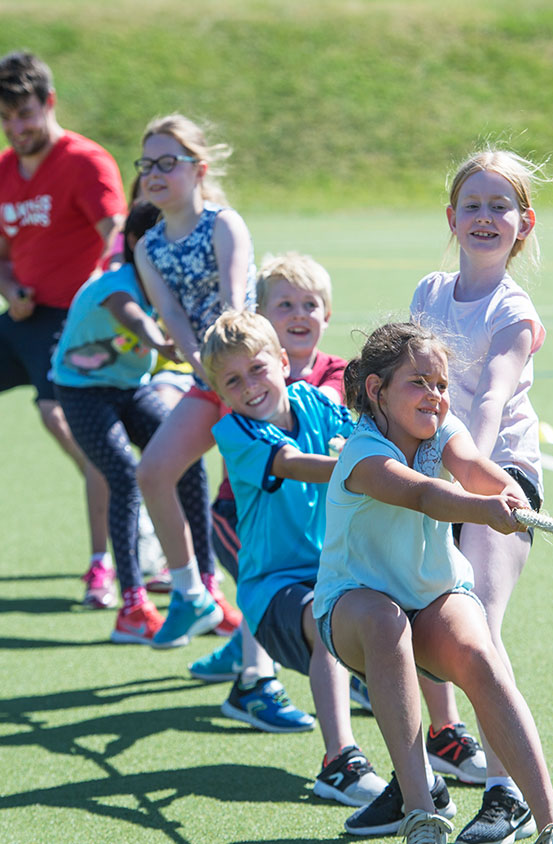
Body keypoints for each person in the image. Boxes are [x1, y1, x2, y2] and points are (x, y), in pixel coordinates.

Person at [312, 320, 553, 844]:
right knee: (386, 624)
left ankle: (552, 823)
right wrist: (485, 509)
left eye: (441, 384)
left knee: (480, 655)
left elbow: (475, 467)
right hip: (352, 610)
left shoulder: (442, 427)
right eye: (419, 382)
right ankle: (420, 813)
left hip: (433, 597)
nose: (434, 395)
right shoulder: (362, 454)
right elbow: (425, 496)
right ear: (376, 390)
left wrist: (510, 496)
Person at [410, 148, 551, 844]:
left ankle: (507, 794)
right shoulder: (429, 293)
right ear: (452, 217)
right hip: (432, 476)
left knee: (480, 629)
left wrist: (465, 475)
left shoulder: (512, 311)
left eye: (501, 207)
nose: (486, 217)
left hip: (499, 479)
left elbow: (491, 400)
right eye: (474, 205)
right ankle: (435, 755)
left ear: (523, 224)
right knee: (413, 618)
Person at [201, 309, 389, 808]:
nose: (249, 387)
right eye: (233, 381)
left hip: (336, 570)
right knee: (328, 618)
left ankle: (438, 739)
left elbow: (358, 435)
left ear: (284, 361)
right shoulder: (237, 432)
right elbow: (296, 465)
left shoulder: (314, 402)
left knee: (406, 613)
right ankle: (340, 763)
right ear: (221, 393)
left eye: (258, 369)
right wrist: (369, 470)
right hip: (272, 591)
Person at [50, 201, 224, 644]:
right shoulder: (117, 282)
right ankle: (132, 606)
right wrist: (162, 343)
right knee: (124, 477)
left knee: (182, 460)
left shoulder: (173, 286)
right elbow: (131, 316)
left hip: (132, 387)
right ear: (135, 244)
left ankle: (206, 589)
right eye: (163, 240)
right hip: (81, 391)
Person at [189, 252, 347, 734]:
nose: (299, 315)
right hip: (239, 517)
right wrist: (356, 467)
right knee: (287, 599)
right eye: (285, 305)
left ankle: (436, 733)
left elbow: (347, 421)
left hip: (313, 543)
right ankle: (255, 682)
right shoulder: (239, 422)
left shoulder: (323, 385)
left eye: (309, 304)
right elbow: (300, 464)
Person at [0, 50, 127, 608]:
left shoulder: (85, 162)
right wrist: (9, 289)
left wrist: (97, 303)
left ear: (48, 104)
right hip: (26, 318)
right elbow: (3, 256)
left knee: (63, 419)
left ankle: (109, 554)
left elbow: (117, 243)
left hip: (78, 322)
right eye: (5, 118)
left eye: (24, 114)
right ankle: (127, 490)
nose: (16, 128)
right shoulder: (5, 171)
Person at [133, 113, 255, 644]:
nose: (154, 174)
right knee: (153, 471)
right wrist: (206, 370)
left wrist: (230, 375)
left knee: (255, 506)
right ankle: (190, 593)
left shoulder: (223, 223)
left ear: (198, 169)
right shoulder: (147, 246)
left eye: (168, 163)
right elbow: (176, 323)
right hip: (209, 377)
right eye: (146, 165)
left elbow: (234, 304)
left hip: (254, 378)